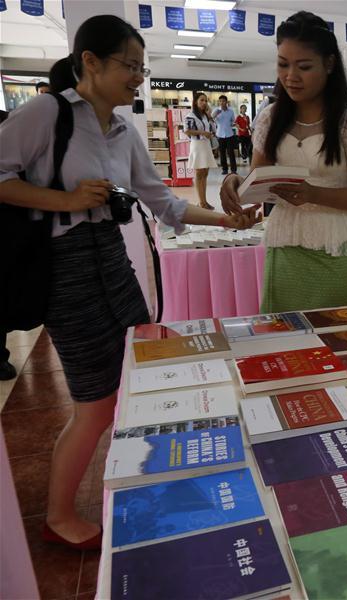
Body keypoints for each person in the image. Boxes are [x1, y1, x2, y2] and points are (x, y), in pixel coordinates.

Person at [0, 15, 259, 550]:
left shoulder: (123, 132)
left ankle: (135, 475)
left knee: (140, 377)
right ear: (90, 62)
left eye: (143, 67)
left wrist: (229, 221)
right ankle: (57, 514)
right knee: (95, 402)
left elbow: (163, 203)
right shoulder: (47, 112)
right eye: (131, 65)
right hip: (64, 270)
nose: (139, 77)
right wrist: (66, 200)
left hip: (113, 263)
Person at [220, 12, 347, 312]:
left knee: (336, 341)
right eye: (283, 64)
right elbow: (260, 180)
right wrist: (235, 183)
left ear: (329, 64)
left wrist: (314, 194)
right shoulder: (270, 118)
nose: (290, 76)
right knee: (283, 340)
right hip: (286, 246)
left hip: (337, 248)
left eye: (304, 66)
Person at [183, 92, 217, 210]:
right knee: (199, 173)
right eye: (201, 100)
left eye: (206, 101)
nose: (204, 103)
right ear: (196, 102)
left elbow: (213, 129)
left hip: (206, 145)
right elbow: (187, 131)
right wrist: (202, 133)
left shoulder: (205, 116)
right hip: (197, 145)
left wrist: (210, 116)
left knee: (205, 174)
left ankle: (204, 201)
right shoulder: (190, 116)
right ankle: (201, 202)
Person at [212, 94, 237, 175]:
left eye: (223, 101)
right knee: (222, 153)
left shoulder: (231, 111)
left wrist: (233, 124)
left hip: (229, 134)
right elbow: (211, 119)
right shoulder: (216, 110)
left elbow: (233, 121)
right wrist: (215, 115)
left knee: (231, 153)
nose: (222, 102)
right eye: (220, 101)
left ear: (226, 102)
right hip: (220, 135)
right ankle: (224, 169)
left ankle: (233, 170)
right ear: (219, 102)